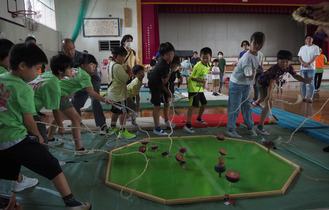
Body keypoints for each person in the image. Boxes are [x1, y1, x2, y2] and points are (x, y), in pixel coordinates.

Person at [0, 43, 91, 209]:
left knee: (6, 172)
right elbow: (28, 119)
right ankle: (71, 202)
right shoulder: (24, 88)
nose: (38, 73)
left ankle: (6, 201)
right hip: (15, 138)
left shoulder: (1, 78)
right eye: (37, 68)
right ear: (22, 65)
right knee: (52, 165)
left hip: (2, 141)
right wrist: (38, 137)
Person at [47, 54, 113, 154]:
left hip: (55, 92)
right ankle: (79, 149)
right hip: (60, 94)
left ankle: (50, 138)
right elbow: (92, 92)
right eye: (91, 64)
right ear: (83, 65)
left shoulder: (75, 70)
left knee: (59, 115)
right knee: (76, 118)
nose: (94, 66)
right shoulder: (85, 76)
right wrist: (105, 100)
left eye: (94, 64)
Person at [256, 50, 313, 135]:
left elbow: (296, 76)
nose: (285, 64)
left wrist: (304, 80)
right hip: (262, 83)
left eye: (287, 61)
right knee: (269, 103)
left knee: (267, 101)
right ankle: (260, 127)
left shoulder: (289, 67)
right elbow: (271, 83)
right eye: (282, 61)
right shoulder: (275, 69)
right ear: (277, 60)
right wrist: (268, 95)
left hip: (271, 83)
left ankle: (258, 101)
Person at [61, 38, 107, 131]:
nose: (70, 52)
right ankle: (76, 120)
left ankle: (102, 124)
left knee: (95, 100)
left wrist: (91, 72)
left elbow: (94, 66)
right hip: (79, 82)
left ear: (74, 47)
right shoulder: (63, 60)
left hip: (93, 79)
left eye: (71, 49)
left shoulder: (83, 56)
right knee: (74, 101)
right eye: (67, 50)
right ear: (63, 49)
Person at [226, 32, 265, 138]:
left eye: (260, 44)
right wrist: (258, 71)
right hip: (236, 84)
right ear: (251, 42)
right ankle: (230, 129)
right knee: (235, 107)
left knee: (247, 106)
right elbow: (248, 75)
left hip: (246, 85)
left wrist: (258, 70)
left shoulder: (259, 54)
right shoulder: (246, 57)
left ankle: (250, 127)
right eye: (255, 43)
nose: (257, 46)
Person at [107, 46, 136, 139]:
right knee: (124, 112)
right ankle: (122, 132)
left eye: (124, 56)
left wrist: (126, 67)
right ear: (114, 56)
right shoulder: (118, 67)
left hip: (113, 92)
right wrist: (129, 71)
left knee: (115, 110)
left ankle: (112, 127)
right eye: (121, 56)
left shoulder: (112, 63)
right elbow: (126, 79)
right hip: (119, 93)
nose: (123, 59)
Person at [183, 47, 212, 134]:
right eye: (203, 58)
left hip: (199, 88)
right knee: (193, 106)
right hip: (193, 87)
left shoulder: (209, 65)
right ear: (200, 57)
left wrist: (204, 84)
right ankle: (187, 125)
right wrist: (202, 81)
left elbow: (204, 76)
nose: (205, 59)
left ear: (210, 57)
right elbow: (192, 78)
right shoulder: (197, 66)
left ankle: (199, 119)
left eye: (207, 57)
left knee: (204, 103)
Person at [148, 42, 175, 135]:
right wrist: (171, 71)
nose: (171, 56)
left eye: (172, 53)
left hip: (158, 84)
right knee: (157, 105)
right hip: (155, 85)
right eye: (168, 54)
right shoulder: (163, 65)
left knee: (166, 102)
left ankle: (167, 121)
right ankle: (157, 128)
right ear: (163, 55)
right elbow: (163, 82)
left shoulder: (166, 62)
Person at [298, 34, 320, 103]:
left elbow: (315, 57)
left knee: (311, 83)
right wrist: (302, 63)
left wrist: (308, 63)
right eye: (307, 38)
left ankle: (311, 97)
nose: (308, 40)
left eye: (310, 38)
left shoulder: (316, 47)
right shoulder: (302, 47)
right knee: (303, 83)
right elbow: (300, 57)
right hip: (303, 68)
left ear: (312, 40)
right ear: (305, 40)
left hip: (311, 68)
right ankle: (304, 96)